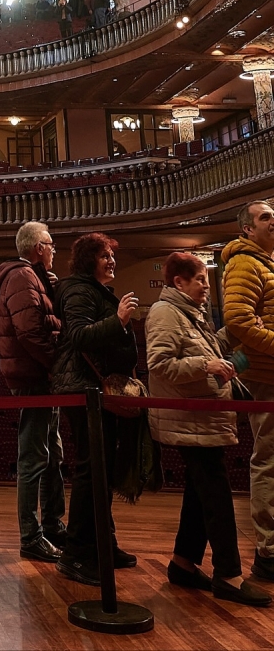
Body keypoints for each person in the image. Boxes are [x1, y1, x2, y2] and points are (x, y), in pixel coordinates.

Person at [147, 251, 270, 606]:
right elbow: (161, 363)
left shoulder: (190, 314)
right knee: (216, 495)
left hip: (202, 417)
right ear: (178, 282)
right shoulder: (165, 312)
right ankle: (229, 574)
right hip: (190, 419)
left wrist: (236, 339)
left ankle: (183, 564)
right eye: (200, 278)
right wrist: (207, 363)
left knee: (199, 492)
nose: (206, 285)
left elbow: (213, 353)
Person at [51, 231, 138, 586]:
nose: (112, 261)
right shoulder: (77, 289)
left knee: (101, 470)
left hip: (97, 390)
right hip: (83, 388)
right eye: (105, 255)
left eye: (112, 255)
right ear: (89, 260)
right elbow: (79, 336)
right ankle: (76, 554)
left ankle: (103, 545)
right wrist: (117, 320)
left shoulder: (96, 290)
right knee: (90, 472)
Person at [0, 223, 66, 563]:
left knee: (52, 453)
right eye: (51, 245)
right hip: (35, 375)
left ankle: (52, 524)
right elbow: (30, 332)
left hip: (41, 375)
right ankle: (31, 534)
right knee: (34, 457)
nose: (54, 251)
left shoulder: (37, 279)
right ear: (38, 247)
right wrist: (57, 365)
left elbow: (46, 321)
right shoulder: (23, 278)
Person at [220, 200, 274, 581]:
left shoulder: (266, 264)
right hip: (266, 374)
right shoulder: (245, 263)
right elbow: (238, 320)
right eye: (266, 217)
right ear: (247, 230)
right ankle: (269, 551)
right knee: (269, 460)